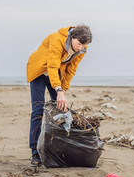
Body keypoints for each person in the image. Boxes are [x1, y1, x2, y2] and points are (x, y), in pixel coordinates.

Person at [26, 24, 92, 167]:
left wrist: (63, 91)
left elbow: (70, 71)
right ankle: (35, 153)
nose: (80, 47)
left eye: (84, 45)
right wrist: (59, 90)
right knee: (38, 111)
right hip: (40, 71)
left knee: (62, 110)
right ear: (72, 37)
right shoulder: (57, 39)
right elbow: (52, 65)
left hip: (56, 75)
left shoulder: (82, 48)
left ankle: (57, 150)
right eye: (79, 44)